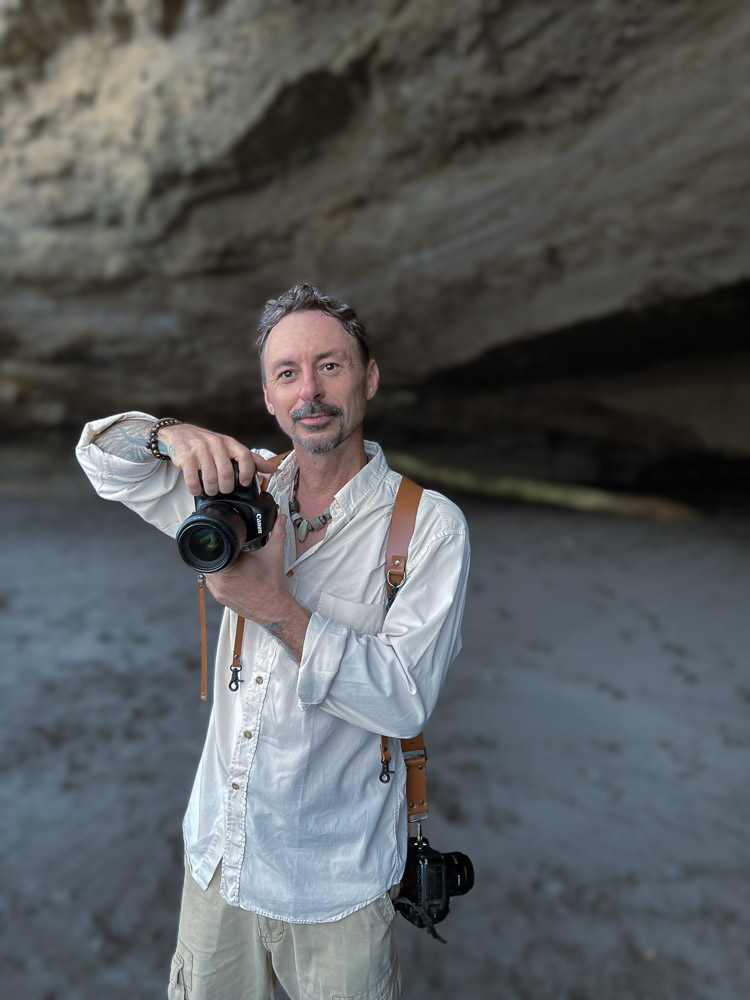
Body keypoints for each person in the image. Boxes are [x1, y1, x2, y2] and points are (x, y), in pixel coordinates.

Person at [75, 283, 470, 1000]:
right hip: (219, 861)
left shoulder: (429, 526)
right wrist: (170, 435)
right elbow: (100, 458)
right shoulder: (236, 489)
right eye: (287, 373)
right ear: (267, 396)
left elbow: (404, 699)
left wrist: (273, 608)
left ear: (369, 378)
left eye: (330, 366)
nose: (309, 391)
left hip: (338, 885)